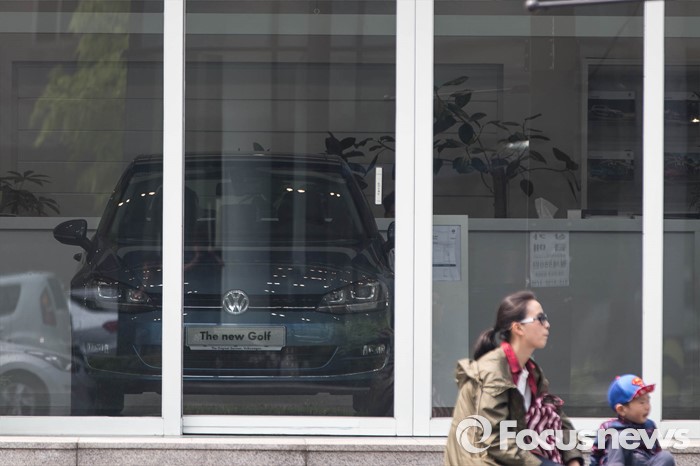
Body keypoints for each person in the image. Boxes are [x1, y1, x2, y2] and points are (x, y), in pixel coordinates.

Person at [444, 290, 584, 466]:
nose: (547, 325)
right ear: (518, 328)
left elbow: (556, 417)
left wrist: (573, 458)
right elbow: (495, 441)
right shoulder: (493, 373)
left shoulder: (531, 372)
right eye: (540, 319)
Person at [588, 375, 675, 466]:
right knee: (622, 436)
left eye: (647, 401)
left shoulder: (650, 426)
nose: (647, 407)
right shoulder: (608, 427)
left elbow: (656, 453)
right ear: (621, 410)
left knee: (666, 456)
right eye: (641, 402)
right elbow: (596, 455)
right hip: (617, 462)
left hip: (644, 463)